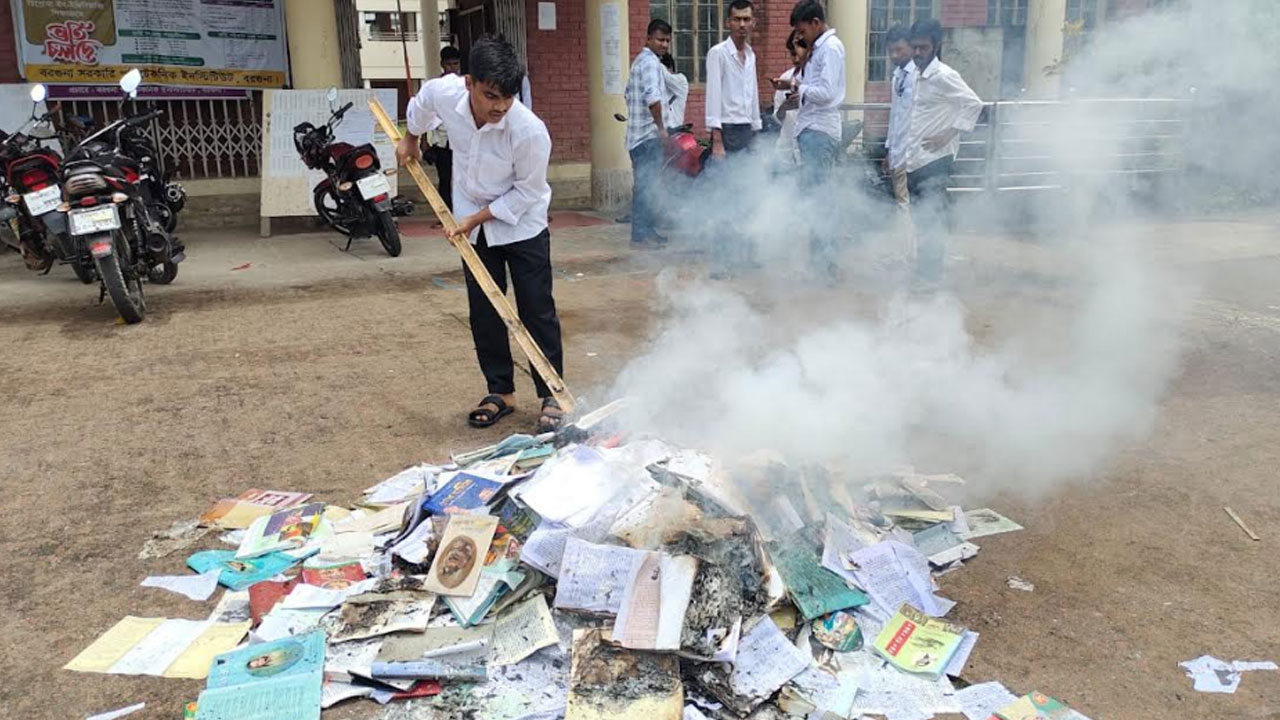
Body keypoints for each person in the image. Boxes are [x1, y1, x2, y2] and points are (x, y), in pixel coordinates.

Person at [397, 36, 565, 433]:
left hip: (521, 224)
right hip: (470, 220)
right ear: (469, 82)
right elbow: (420, 105)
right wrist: (411, 138)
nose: (499, 107)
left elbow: (527, 192)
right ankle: (501, 391)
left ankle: (551, 393)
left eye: (507, 97)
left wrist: (476, 219)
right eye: (490, 96)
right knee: (484, 309)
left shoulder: (529, 131)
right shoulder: (445, 93)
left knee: (535, 307)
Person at [901, 18, 982, 286]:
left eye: (923, 47)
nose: (917, 52)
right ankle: (924, 273)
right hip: (915, 159)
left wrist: (949, 133)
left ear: (936, 46)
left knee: (931, 220)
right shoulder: (916, 74)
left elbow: (973, 104)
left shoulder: (945, 75)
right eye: (914, 47)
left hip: (936, 160)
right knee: (920, 220)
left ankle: (930, 278)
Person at [779, 0, 845, 276]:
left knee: (821, 200)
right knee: (817, 198)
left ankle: (825, 265)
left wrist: (800, 88)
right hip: (812, 130)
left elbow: (827, 93)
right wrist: (798, 86)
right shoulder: (819, 49)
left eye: (802, 30)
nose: (800, 36)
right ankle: (820, 261)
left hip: (820, 131)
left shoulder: (830, 48)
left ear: (816, 23)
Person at [624, 19, 672, 248]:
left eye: (667, 41)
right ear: (648, 38)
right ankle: (642, 235)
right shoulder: (650, 63)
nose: (664, 45)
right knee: (646, 187)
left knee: (646, 186)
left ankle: (646, 231)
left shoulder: (639, 62)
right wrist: (661, 129)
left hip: (637, 136)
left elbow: (627, 94)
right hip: (647, 137)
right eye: (660, 40)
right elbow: (653, 99)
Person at [705, 0, 761, 158]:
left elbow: (753, 93)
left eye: (746, 19)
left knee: (747, 172)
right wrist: (717, 139)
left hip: (747, 127)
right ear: (728, 22)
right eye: (737, 19)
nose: (742, 25)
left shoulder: (751, 55)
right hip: (727, 128)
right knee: (727, 173)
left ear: (753, 23)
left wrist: (756, 129)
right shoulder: (718, 53)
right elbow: (713, 95)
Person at [424, 45, 462, 211]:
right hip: (441, 140)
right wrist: (423, 141)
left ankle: (463, 215)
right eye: (448, 64)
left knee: (464, 179)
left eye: (455, 64)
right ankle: (446, 215)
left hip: (462, 140)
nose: (452, 68)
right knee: (445, 178)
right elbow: (425, 114)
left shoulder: (467, 85)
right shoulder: (434, 87)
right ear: (442, 64)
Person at [882, 26, 916, 211]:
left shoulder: (918, 76)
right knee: (901, 201)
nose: (894, 55)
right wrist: (889, 150)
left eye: (899, 50)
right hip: (897, 151)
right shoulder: (897, 77)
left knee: (908, 204)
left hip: (913, 153)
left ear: (911, 47)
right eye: (891, 51)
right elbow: (894, 115)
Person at [772, 31, 808, 167]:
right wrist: (785, 107)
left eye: (799, 54)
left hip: (808, 150)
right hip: (785, 151)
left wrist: (804, 98)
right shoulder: (785, 78)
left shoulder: (816, 79)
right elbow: (778, 118)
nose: (796, 59)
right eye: (793, 54)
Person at [660, 53, 689, 129]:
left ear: (670, 68)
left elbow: (667, 78)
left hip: (675, 130)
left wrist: (656, 64)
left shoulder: (681, 80)